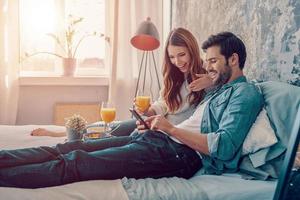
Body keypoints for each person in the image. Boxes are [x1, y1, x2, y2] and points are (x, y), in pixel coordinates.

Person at [0, 31, 263, 189]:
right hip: (158, 139)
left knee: (76, 163)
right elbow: (183, 107)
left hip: (179, 155)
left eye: (214, 61)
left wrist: (169, 127)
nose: (209, 68)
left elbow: (224, 147)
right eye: (207, 62)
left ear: (234, 59)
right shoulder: (219, 88)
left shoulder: (245, 93)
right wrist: (157, 124)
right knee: (68, 147)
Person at [31, 27, 213, 137]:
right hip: (156, 123)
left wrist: (210, 81)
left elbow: (230, 86)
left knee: (111, 135)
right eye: (172, 57)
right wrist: (148, 111)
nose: (177, 62)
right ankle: (62, 132)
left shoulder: (207, 73)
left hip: (168, 132)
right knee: (112, 126)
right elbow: (164, 103)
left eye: (182, 55)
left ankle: (68, 136)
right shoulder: (174, 76)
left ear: (192, 50)